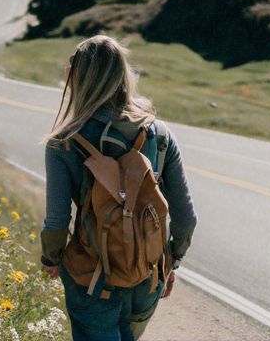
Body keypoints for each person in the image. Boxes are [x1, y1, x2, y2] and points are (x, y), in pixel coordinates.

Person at [40, 35, 197, 341]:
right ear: (123, 75)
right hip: (145, 275)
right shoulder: (160, 134)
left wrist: (52, 259)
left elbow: (57, 222)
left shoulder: (64, 142)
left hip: (91, 278)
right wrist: (172, 261)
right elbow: (186, 218)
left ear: (78, 79)